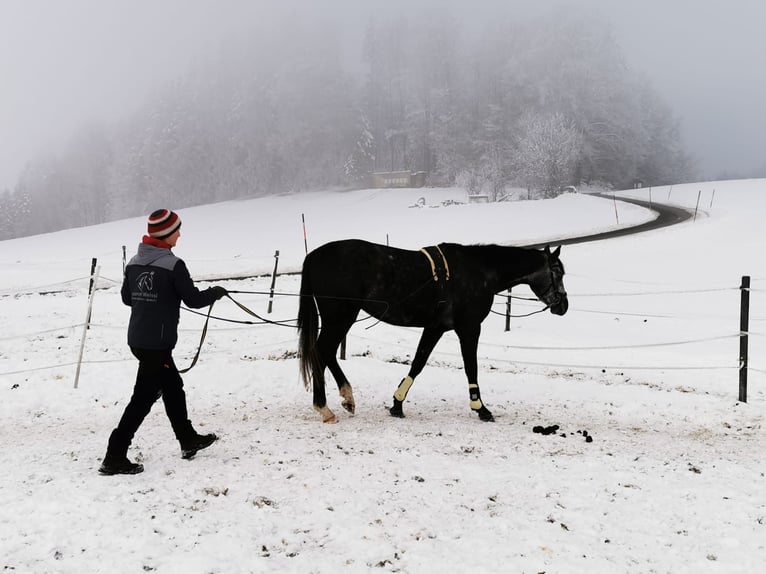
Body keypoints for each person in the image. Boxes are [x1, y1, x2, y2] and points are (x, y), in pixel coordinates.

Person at [99, 209, 228, 475]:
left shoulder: (134, 262)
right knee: (143, 398)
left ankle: (187, 439)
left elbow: (127, 298)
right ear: (167, 233)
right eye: (177, 230)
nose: (180, 234)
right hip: (157, 344)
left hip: (139, 339)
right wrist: (215, 293)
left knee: (172, 388)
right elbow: (193, 299)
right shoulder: (174, 265)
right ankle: (114, 455)